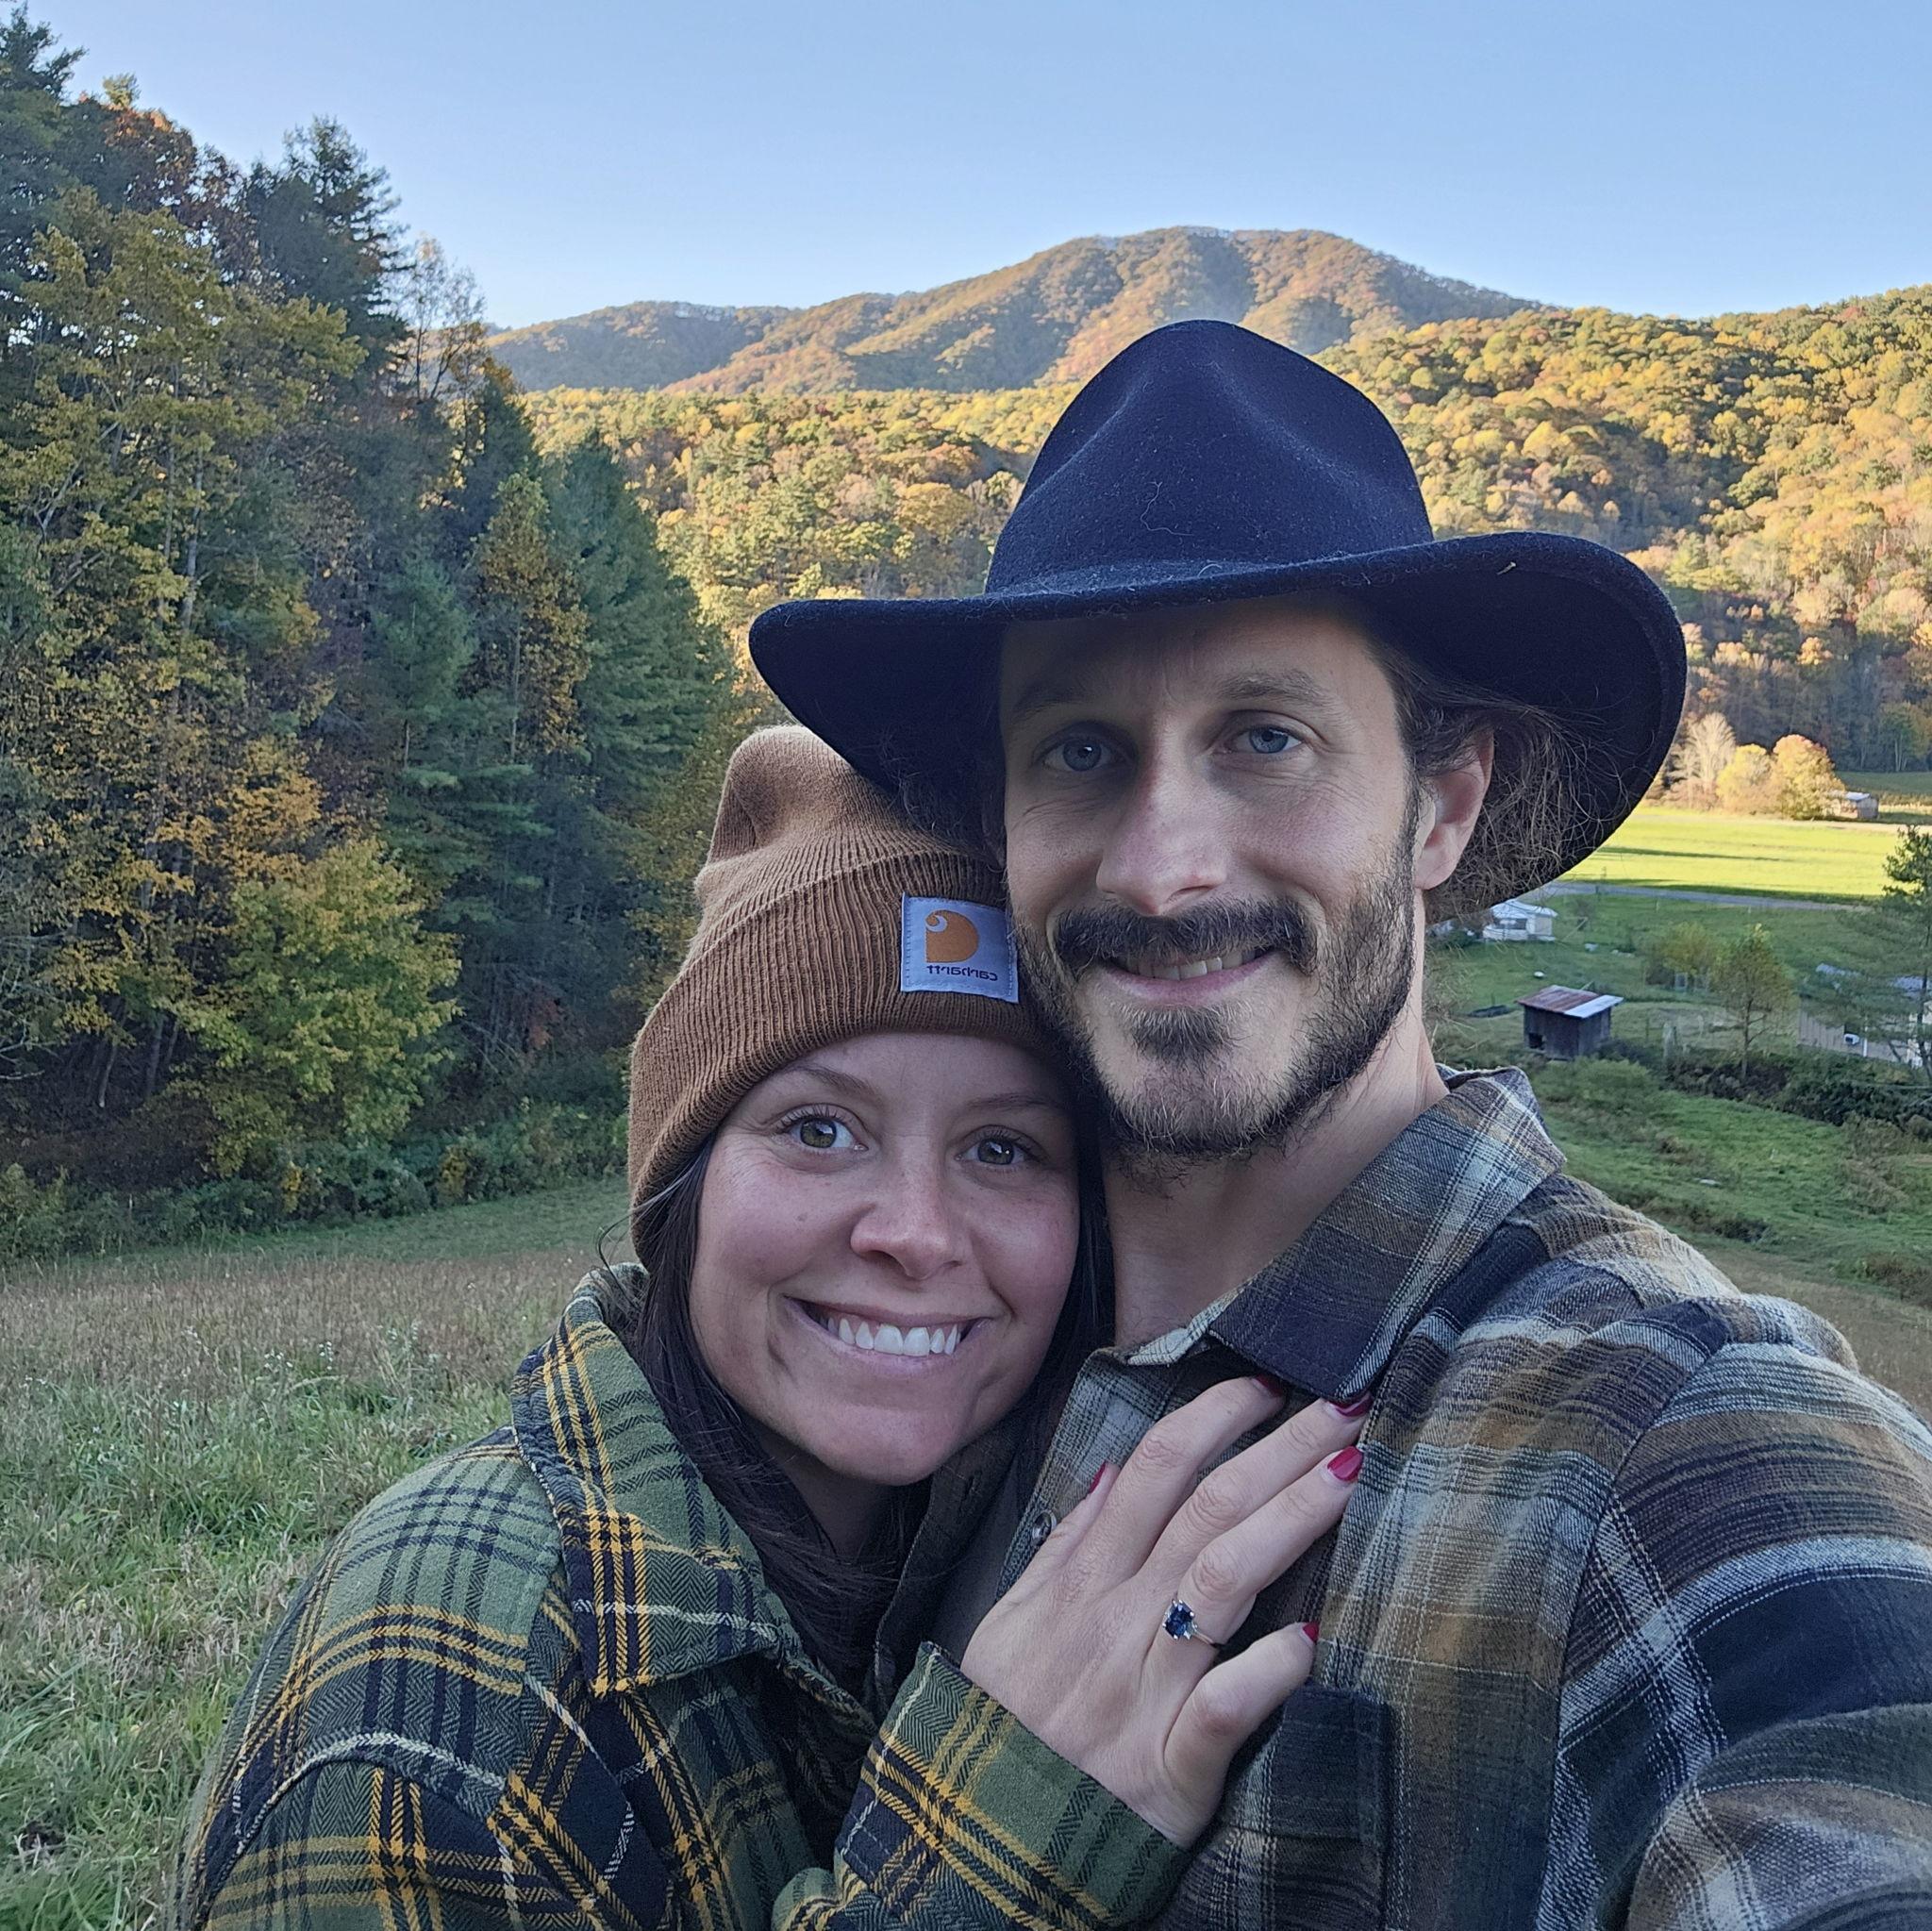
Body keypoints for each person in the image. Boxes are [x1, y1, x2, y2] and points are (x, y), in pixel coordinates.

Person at [750, 322, 1932, 1926]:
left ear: (1438, 804)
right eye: (1080, 750)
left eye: (1264, 739)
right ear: (1005, 822)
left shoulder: (1669, 1444)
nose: (1162, 866)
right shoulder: (956, 1359)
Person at [175, 724, 1370, 1930]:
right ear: (681, 1185)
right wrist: (994, 1855)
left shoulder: (968, 1555)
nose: (914, 1232)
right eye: (817, 1128)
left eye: (1002, 1147)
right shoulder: (444, 1695)